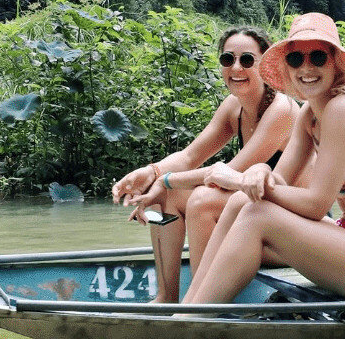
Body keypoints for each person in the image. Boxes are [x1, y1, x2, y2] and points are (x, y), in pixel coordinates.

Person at [179, 12, 345, 307]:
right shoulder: (309, 113)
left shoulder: (343, 109)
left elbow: (317, 205)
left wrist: (241, 180)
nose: (306, 68)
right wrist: (259, 172)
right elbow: (278, 181)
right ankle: (188, 307)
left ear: (335, 63)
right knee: (243, 202)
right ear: (287, 67)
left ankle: (194, 319)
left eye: (317, 57)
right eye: (296, 60)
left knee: (257, 214)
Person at [112, 27, 296, 302]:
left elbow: (225, 174)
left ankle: (198, 302)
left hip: (288, 231)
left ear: (265, 65)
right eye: (227, 59)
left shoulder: (281, 110)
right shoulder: (234, 107)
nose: (236, 67)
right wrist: (150, 174)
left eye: (247, 60)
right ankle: (167, 296)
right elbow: (189, 156)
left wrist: (163, 180)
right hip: (252, 213)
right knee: (166, 196)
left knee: (202, 199)